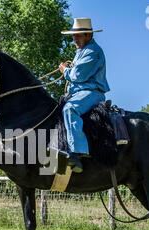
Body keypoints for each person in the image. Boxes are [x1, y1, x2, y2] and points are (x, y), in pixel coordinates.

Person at [59, 18, 110, 173]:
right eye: (73, 36)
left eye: (78, 35)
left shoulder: (93, 51)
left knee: (70, 109)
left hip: (92, 93)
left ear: (88, 35)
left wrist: (65, 70)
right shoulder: (81, 52)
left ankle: (77, 153)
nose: (74, 39)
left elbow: (78, 75)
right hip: (80, 92)